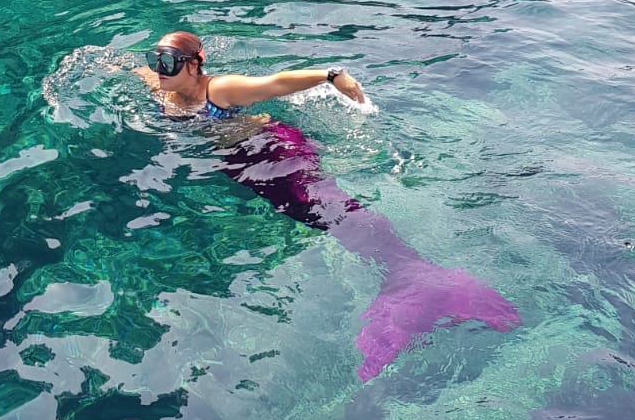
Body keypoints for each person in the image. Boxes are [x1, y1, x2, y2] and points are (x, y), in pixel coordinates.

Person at [138, 30, 520, 381]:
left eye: (168, 62)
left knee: (330, 211)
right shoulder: (165, 89)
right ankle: (409, 275)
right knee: (319, 218)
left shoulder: (220, 89)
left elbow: (273, 84)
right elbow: (132, 70)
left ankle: (421, 278)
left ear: (194, 64)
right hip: (247, 164)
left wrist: (331, 75)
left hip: (275, 152)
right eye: (156, 61)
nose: (159, 70)